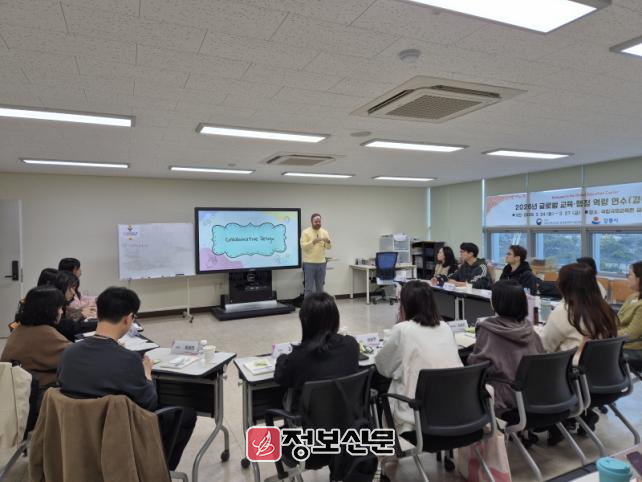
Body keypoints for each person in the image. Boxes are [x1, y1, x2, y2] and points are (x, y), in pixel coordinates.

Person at [57, 287, 196, 470]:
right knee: (187, 414)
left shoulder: (68, 353)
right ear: (129, 318)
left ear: (98, 313)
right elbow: (149, 403)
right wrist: (147, 376)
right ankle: (158, 469)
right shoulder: (129, 359)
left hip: (77, 437)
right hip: (118, 436)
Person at [375, 280, 462, 434]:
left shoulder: (403, 330)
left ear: (405, 305)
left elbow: (383, 368)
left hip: (416, 416)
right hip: (452, 410)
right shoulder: (446, 327)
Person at [468, 280, 544, 414]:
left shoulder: (488, 329)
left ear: (496, 302)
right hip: (533, 394)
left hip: (504, 398)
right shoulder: (529, 328)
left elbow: (476, 367)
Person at [274, 292, 359, 410]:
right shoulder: (351, 345)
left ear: (305, 322)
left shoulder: (298, 358)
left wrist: (281, 358)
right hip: (348, 417)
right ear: (336, 318)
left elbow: (280, 377)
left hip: (308, 420)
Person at [540, 263, 618, 354]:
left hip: (571, 361)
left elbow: (544, 347)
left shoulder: (564, 313)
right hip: (601, 362)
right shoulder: (606, 310)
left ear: (564, 286)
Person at [2, 286, 70, 389]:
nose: (62, 312)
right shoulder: (45, 333)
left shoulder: (22, 327)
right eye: (59, 308)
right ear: (49, 310)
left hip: (15, 385)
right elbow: (75, 356)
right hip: (32, 391)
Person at [50, 271, 97, 340]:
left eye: (74, 288)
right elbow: (67, 327)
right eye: (70, 288)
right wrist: (81, 314)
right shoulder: (53, 306)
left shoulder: (62, 303)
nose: (73, 292)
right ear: (61, 286)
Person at [300, 213, 332, 296]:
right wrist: (313, 242)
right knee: (308, 288)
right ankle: (308, 305)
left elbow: (329, 247)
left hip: (322, 263)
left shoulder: (324, 232)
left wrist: (328, 242)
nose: (318, 223)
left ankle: (320, 304)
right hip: (309, 263)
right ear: (311, 222)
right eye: (316, 222)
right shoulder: (305, 232)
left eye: (319, 221)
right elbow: (303, 246)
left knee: (320, 288)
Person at [617, 261, 642, 362]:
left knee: (593, 355)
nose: (627, 277)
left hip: (633, 348)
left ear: (639, 278)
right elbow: (619, 318)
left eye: (630, 274)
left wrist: (608, 335)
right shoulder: (633, 296)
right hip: (620, 342)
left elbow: (632, 334)